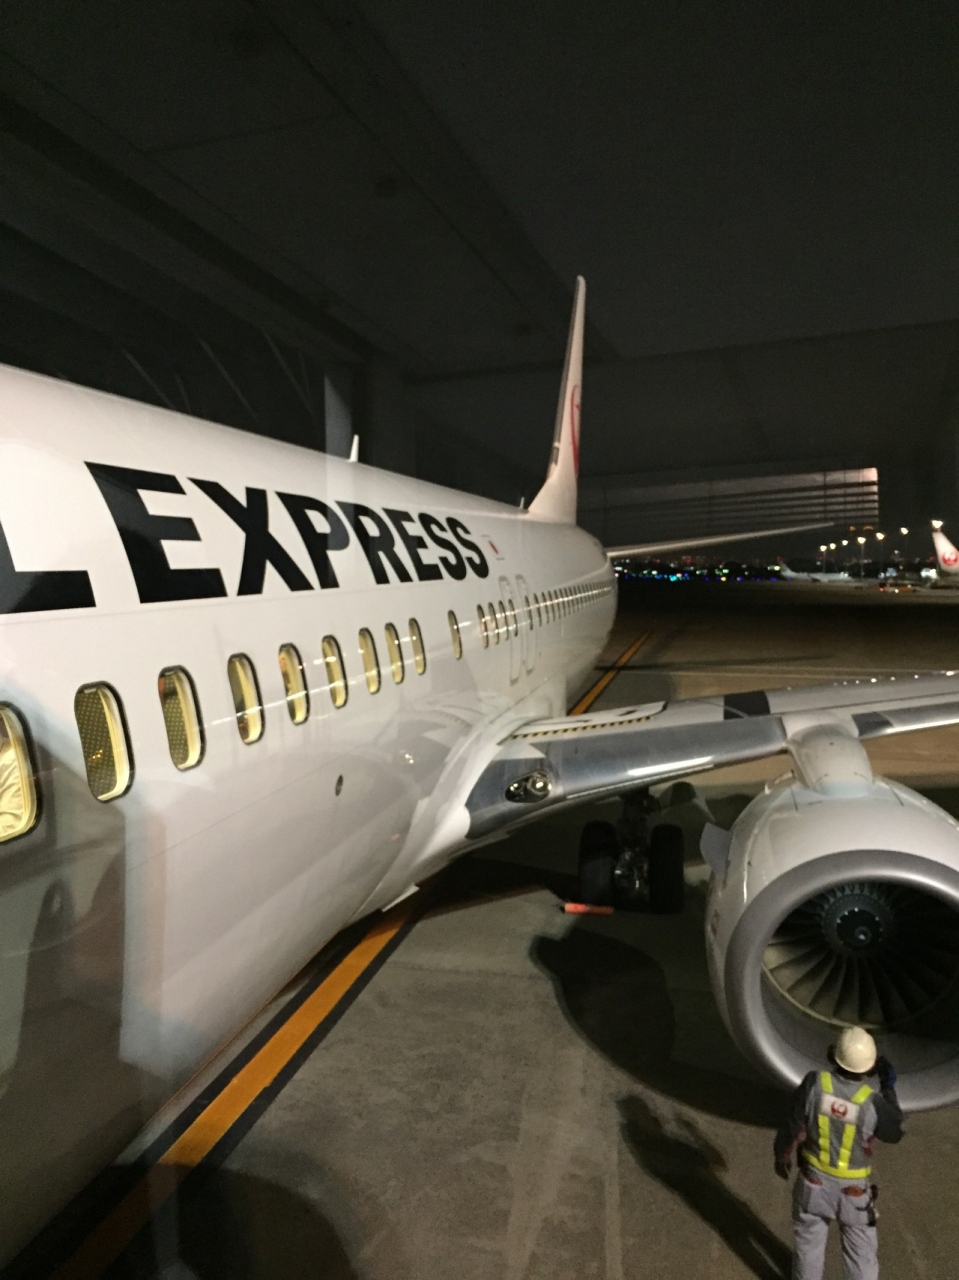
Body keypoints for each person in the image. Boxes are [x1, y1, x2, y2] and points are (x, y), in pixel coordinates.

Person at [773, 1026, 903, 1280]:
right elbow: (894, 1131)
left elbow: (792, 1125)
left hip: (813, 1184)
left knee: (808, 1250)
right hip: (854, 1194)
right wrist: (888, 1087)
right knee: (861, 1258)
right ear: (869, 1067)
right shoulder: (872, 1102)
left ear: (833, 1055)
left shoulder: (814, 1084)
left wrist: (782, 1157)